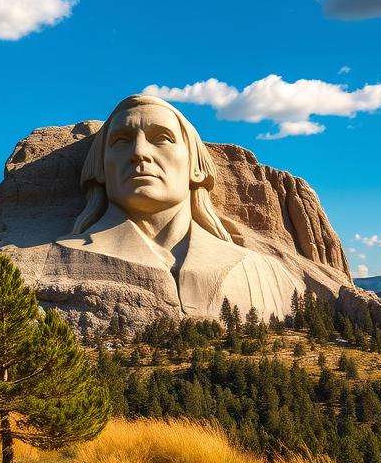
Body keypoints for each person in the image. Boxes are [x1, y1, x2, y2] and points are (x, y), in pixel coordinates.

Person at [56, 94, 300, 319]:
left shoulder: (261, 269)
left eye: (161, 138)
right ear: (100, 169)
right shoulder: (62, 255)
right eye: (121, 141)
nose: (139, 153)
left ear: (195, 165)